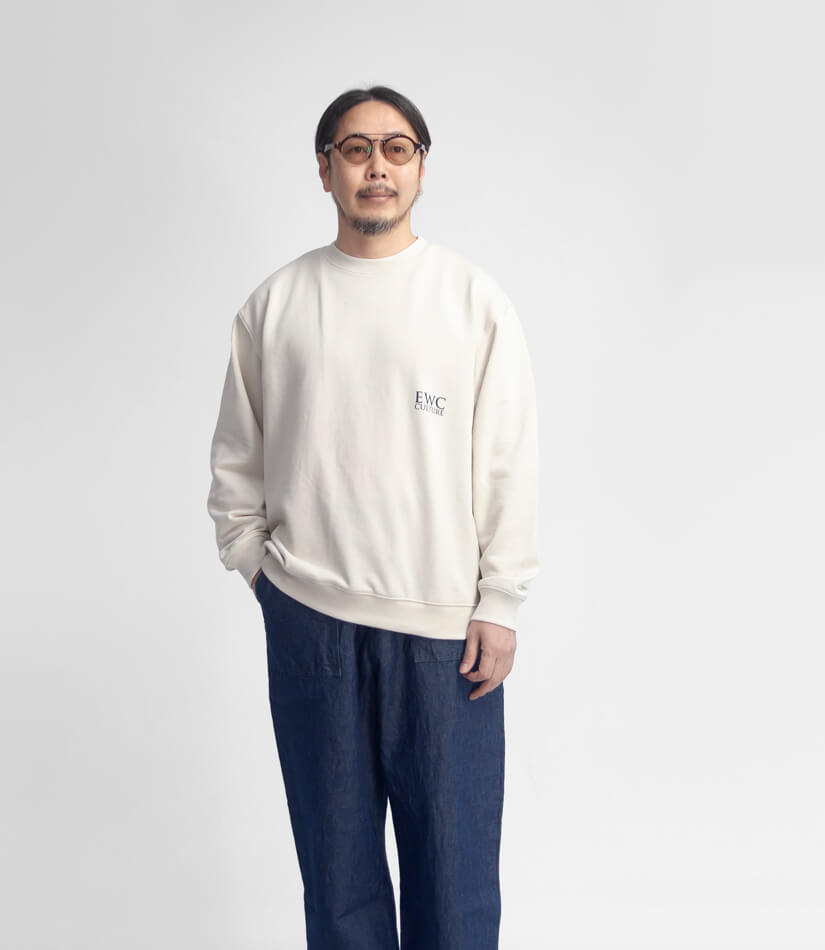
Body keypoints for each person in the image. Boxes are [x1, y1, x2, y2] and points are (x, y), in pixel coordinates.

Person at [206, 85, 539, 950]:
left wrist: (500, 600)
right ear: (325, 170)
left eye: (397, 149)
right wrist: (265, 578)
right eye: (356, 150)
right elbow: (236, 466)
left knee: (456, 890)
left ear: (422, 167)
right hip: (312, 624)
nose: (377, 167)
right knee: (339, 888)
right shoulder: (275, 307)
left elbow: (506, 460)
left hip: (445, 636)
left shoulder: (472, 301)